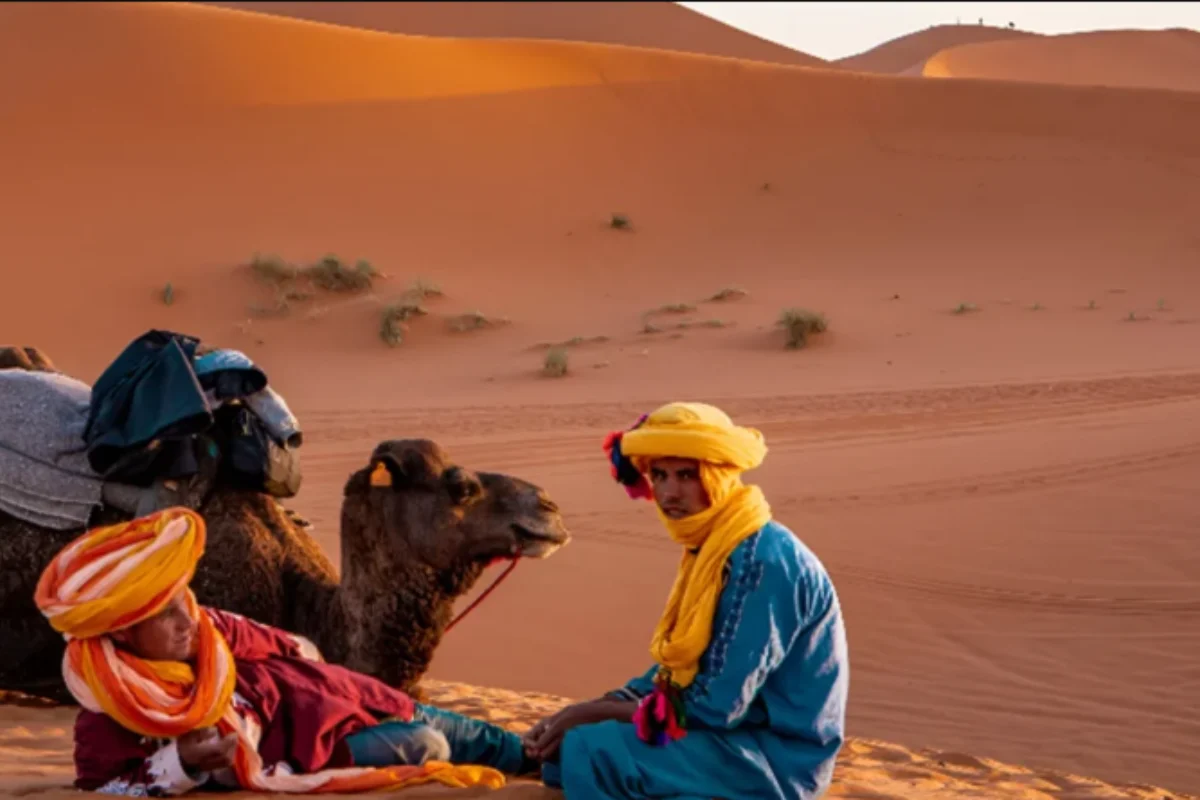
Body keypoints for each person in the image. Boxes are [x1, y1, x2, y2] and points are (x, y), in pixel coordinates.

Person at [34, 506, 534, 796]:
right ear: (121, 631)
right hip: (323, 749)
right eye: (163, 613)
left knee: (509, 747)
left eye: (182, 601)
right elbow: (106, 790)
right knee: (431, 747)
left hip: (354, 697)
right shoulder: (112, 710)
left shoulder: (213, 628)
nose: (188, 619)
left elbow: (298, 648)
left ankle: (561, 755)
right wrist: (183, 761)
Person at [524, 402, 849, 800]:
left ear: (718, 477)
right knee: (567, 749)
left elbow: (716, 706)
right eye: (658, 475)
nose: (669, 492)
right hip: (735, 742)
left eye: (686, 475)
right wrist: (590, 709)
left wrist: (591, 714)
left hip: (775, 759)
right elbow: (679, 671)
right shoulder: (715, 546)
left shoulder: (760, 562)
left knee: (591, 750)